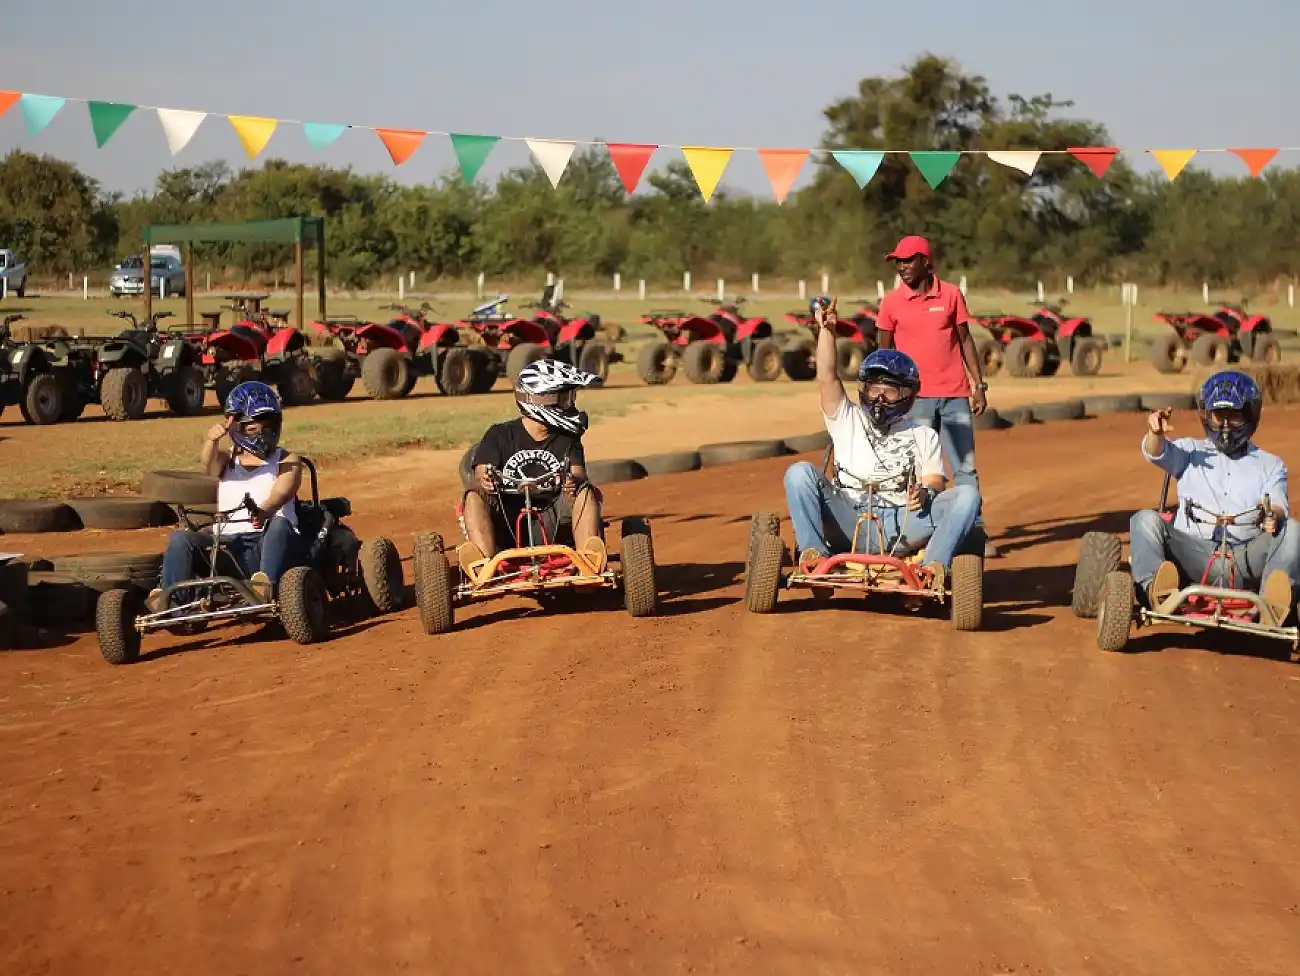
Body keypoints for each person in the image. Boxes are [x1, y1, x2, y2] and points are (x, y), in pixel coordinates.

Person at [783, 297, 982, 593]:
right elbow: (827, 377)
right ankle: (814, 557)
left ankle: (931, 568)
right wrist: (826, 331)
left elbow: (935, 480)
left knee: (967, 495)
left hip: (903, 523)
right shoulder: (847, 417)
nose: (879, 399)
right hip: (848, 517)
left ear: (908, 395)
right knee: (798, 472)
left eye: (889, 392)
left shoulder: (923, 434)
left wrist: (924, 493)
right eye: (874, 390)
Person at [1131, 369, 1297, 624]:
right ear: (1207, 415)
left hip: (1245, 558)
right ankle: (1156, 590)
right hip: (1193, 554)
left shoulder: (1271, 465)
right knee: (1144, 519)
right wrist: (1155, 434)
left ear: (1250, 415)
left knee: (1292, 529)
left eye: (1234, 415)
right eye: (1219, 416)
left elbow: (1278, 506)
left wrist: (1272, 516)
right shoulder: (1189, 451)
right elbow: (1156, 453)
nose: (1225, 425)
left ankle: (1272, 605)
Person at [874, 235, 998, 558]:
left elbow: (965, 340)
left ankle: (974, 533)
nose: (902, 267)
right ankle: (919, 532)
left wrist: (978, 385)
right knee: (920, 471)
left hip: (955, 395)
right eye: (898, 262)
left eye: (908, 261)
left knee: (965, 468)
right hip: (914, 401)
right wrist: (885, 396)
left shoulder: (951, 294)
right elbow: (883, 354)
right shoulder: (891, 303)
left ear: (926, 262)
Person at [149, 381, 304, 612]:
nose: (262, 434)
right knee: (181, 538)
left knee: (279, 523)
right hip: (228, 546)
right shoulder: (226, 460)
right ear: (236, 426)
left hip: (268, 542)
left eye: (268, 426)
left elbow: (283, 490)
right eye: (253, 428)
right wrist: (212, 440)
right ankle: (171, 600)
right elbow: (208, 465)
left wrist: (265, 511)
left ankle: (264, 587)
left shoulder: (287, 459)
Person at [459, 359, 606, 572]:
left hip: (554, 519)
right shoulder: (499, 435)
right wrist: (486, 479)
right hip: (507, 520)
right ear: (541, 401)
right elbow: (481, 471)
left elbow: (579, 475)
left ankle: (588, 560)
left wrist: (572, 483)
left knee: (586, 492)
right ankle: (482, 565)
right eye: (565, 399)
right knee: (473, 495)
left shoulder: (568, 440)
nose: (571, 406)